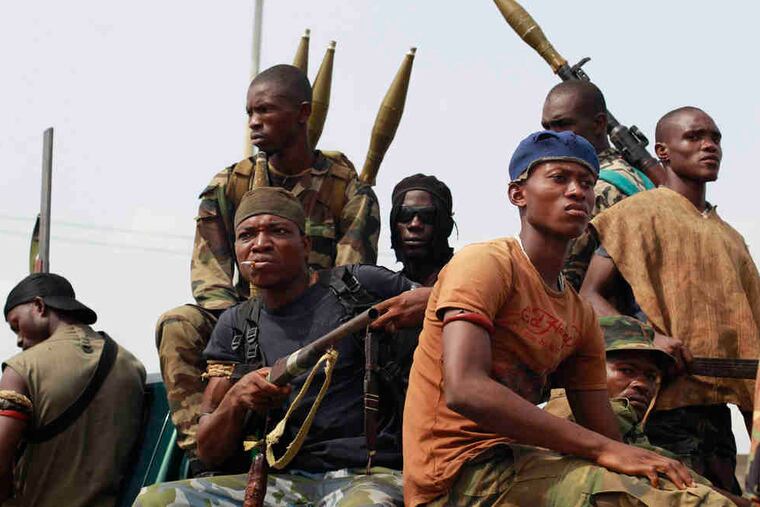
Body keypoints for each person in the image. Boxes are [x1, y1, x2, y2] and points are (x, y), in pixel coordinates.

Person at [402, 130, 695, 507]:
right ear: (518, 194)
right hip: (455, 476)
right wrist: (605, 451)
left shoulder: (579, 314)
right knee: (635, 500)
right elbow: (465, 389)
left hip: (521, 461)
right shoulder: (486, 263)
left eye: (586, 183)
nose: (577, 192)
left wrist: (649, 465)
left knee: (683, 493)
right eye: (559, 178)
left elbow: (605, 434)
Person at [137, 187, 427, 507]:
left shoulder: (358, 286)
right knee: (157, 500)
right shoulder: (236, 324)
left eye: (277, 231)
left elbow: (450, 296)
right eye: (247, 235)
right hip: (281, 482)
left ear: (305, 245)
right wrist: (237, 398)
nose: (260, 244)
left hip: (369, 476)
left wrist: (424, 302)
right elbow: (209, 452)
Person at [156, 64, 381, 469]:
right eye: (249, 113)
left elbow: (351, 273)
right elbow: (210, 275)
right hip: (240, 323)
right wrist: (245, 329)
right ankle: (205, 452)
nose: (254, 123)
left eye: (265, 111)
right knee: (178, 324)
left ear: (302, 113)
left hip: (318, 319)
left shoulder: (345, 188)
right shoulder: (230, 184)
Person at [581, 106, 760, 493]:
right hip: (659, 402)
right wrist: (647, 339)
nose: (709, 146)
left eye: (715, 138)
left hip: (718, 410)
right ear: (662, 151)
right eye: (694, 137)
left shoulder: (731, 237)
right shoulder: (635, 215)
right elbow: (589, 294)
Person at [544, 315, 747, 506]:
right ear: (586, 369)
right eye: (626, 370)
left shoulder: (627, 431)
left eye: (650, 376)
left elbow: (688, 480)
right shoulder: (568, 413)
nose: (642, 384)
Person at [1, 273, 145, 507]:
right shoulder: (131, 364)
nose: (18, 340)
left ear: (39, 306)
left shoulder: (22, 369)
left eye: (16, 325)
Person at [541, 80, 655, 290]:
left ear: (599, 124)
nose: (551, 136)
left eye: (562, 125)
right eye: (547, 127)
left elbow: (558, 285)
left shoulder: (597, 189)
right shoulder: (634, 175)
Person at [389, 174, 455, 287]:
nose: (415, 224)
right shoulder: (385, 289)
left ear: (447, 225)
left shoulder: (469, 279)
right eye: (404, 214)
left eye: (427, 215)